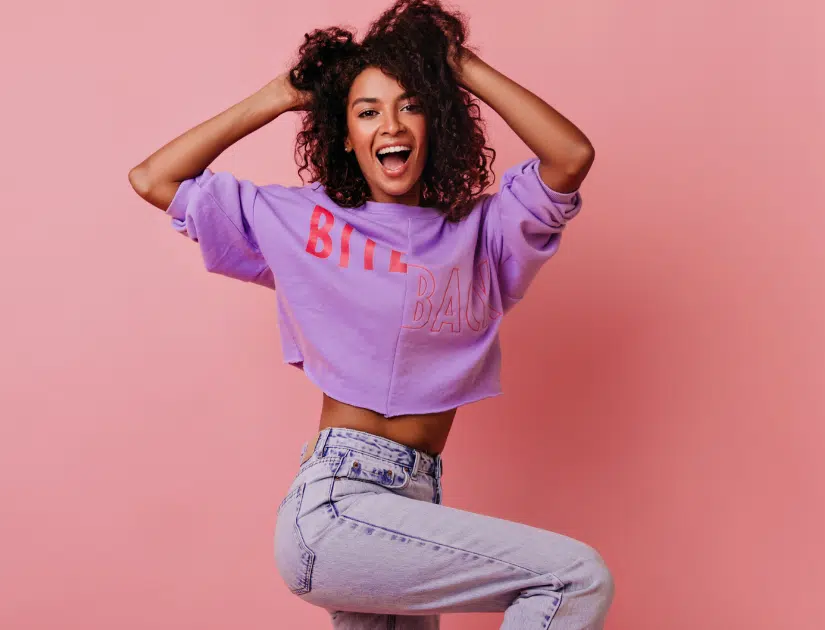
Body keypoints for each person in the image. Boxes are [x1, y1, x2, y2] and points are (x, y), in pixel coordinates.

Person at [127, 0, 613, 627]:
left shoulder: (480, 233)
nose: (391, 124)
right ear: (346, 136)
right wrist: (280, 94)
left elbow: (569, 157)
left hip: (413, 503)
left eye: (410, 104)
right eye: (367, 111)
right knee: (573, 578)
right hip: (336, 503)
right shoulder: (305, 220)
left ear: (435, 122)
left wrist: (455, 65)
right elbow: (153, 177)